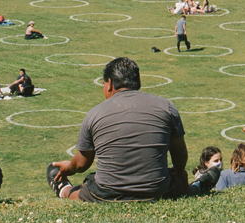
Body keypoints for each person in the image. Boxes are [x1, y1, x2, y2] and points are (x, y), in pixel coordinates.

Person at [47, 57, 188, 202]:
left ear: (109, 84)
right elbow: (180, 154)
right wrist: (180, 173)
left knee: (83, 192)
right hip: (156, 191)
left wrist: (68, 167)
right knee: (175, 181)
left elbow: (81, 164)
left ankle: (63, 190)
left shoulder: (95, 114)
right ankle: (201, 183)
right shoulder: (166, 107)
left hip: (108, 193)